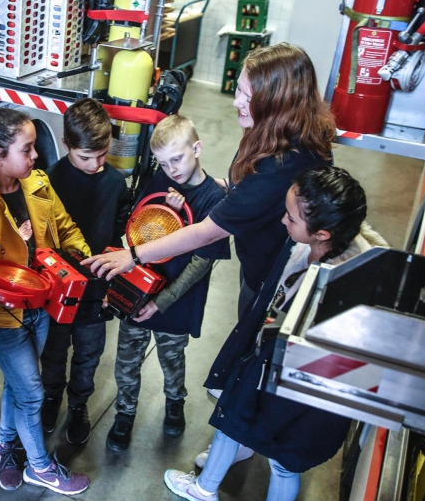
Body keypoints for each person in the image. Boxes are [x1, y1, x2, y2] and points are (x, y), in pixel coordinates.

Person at [163, 167, 388, 501]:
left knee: (273, 452)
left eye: (291, 217)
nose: (283, 220)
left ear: (322, 233)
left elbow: (324, 361)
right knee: (242, 429)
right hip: (282, 373)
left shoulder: (340, 292)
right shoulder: (329, 250)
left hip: (298, 388)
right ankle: (206, 489)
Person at [83, 43, 335, 322]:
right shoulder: (269, 131)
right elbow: (248, 186)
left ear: (277, 102)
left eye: (248, 96)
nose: (236, 101)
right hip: (257, 260)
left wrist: (134, 255)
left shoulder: (286, 163)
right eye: (239, 89)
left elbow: (209, 232)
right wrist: (209, 185)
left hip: (273, 278)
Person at [0, 101, 91, 495]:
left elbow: (66, 227)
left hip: (42, 306)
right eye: (26, 149)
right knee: (32, 392)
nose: (36, 155)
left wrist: (84, 258)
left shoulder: (39, 185)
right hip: (0, 317)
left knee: (16, 383)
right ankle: (40, 468)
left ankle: (5, 444)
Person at [105, 114, 231, 452]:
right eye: (164, 162)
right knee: (127, 357)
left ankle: (175, 401)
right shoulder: (159, 181)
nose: (171, 168)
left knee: (172, 357)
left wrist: (160, 303)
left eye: (177, 158)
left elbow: (200, 263)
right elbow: (138, 230)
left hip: (175, 300)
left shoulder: (212, 200)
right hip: (139, 287)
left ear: (198, 148)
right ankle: (125, 412)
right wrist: (162, 206)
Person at [40, 98, 130, 445]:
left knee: (89, 353)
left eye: (103, 155)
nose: (95, 165)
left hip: (96, 290)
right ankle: (51, 397)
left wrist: (112, 282)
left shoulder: (116, 185)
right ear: (66, 146)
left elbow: (119, 237)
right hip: (58, 289)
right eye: (85, 157)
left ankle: (78, 405)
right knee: (54, 351)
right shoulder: (49, 182)